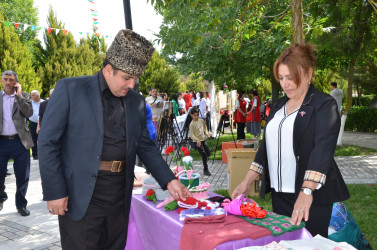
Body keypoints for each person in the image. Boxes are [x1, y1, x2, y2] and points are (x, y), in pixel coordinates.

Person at [38, 29, 191, 249]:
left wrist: (169, 179)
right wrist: (55, 192)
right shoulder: (71, 89)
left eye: (135, 79)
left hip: (119, 196)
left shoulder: (136, 101)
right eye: (127, 78)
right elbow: (47, 142)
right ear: (108, 70)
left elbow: (144, 145)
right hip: (80, 196)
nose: (131, 85)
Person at [231, 44, 349, 238]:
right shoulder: (279, 105)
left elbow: (323, 149)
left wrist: (307, 192)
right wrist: (246, 182)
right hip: (280, 196)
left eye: (291, 77)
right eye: (281, 78)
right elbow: (266, 149)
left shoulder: (323, 104)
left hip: (312, 197)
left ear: (309, 73)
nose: (285, 84)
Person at [0, 70, 33, 216]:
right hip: (1, 142)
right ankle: (1, 197)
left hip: (20, 142)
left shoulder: (24, 96)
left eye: (11, 80)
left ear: (16, 82)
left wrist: (19, 96)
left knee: (22, 175)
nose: (8, 82)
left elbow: (29, 113)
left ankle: (21, 204)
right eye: (5, 79)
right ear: (1, 81)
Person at [189, 108, 211, 176]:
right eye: (194, 115)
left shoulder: (201, 120)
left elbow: (205, 128)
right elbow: (191, 135)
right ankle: (206, 170)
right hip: (197, 142)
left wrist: (206, 133)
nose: (196, 117)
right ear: (191, 115)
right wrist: (197, 140)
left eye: (197, 115)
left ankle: (205, 162)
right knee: (204, 155)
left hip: (203, 140)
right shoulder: (192, 124)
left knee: (208, 153)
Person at [29, 90, 44, 160]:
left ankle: (42, 154)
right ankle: (35, 155)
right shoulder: (29, 103)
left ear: (37, 96)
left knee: (42, 139)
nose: (31, 96)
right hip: (32, 123)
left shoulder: (43, 102)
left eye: (32, 95)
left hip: (42, 123)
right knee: (33, 139)